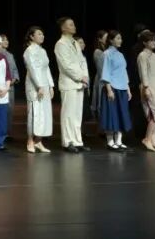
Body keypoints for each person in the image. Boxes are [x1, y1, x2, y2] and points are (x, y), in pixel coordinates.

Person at [55, 17, 91, 153]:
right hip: (69, 83)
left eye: (73, 24)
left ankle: (77, 141)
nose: (74, 26)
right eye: (70, 24)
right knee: (68, 114)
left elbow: (82, 61)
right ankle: (68, 141)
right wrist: (80, 77)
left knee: (77, 114)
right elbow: (66, 65)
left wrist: (85, 76)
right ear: (63, 28)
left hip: (79, 83)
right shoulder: (60, 44)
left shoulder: (75, 43)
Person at [100, 30, 133, 151]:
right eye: (118, 38)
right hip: (113, 88)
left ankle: (119, 141)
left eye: (121, 38)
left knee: (121, 114)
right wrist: (109, 90)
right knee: (111, 114)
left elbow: (124, 72)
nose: (120, 40)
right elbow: (106, 72)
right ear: (111, 40)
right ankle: (110, 141)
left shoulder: (120, 54)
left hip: (122, 88)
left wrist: (128, 89)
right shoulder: (107, 54)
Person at [22, 26, 54, 154]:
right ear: (32, 36)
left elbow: (47, 68)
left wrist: (51, 85)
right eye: (39, 34)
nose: (42, 36)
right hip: (34, 86)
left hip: (44, 85)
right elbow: (32, 69)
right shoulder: (29, 51)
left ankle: (39, 141)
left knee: (44, 113)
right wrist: (39, 86)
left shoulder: (43, 51)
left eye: (43, 34)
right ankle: (30, 140)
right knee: (34, 113)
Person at [136, 30, 155, 152]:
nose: (154, 43)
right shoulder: (142, 55)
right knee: (153, 115)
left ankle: (153, 141)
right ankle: (147, 139)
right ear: (145, 42)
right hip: (149, 88)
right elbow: (143, 73)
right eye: (151, 41)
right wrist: (146, 88)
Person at [0, 34, 20, 142]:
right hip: (1, 86)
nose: (6, 41)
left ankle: (7, 132)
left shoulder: (10, 55)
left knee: (10, 110)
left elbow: (15, 69)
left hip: (10, 86)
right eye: (3, 40)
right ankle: (0, 132)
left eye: (7, 39)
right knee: (1, 110)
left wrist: (15, 78)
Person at [91, 30, 108, 123]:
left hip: (107, 78)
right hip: (102, 79)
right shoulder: (98, 52)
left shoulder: (107, 51)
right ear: (100, 39)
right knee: (101, 101)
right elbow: (101, 69)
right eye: (106, 37)